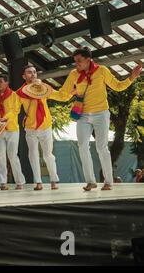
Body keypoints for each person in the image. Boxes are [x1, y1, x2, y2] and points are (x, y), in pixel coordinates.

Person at [54, 47, 141, 191]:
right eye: (75, 61)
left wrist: (132, 77)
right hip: (83, 115)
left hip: (101, 113)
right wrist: (46, 92)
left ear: (88, 59)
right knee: (82, 147)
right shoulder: (74, 74)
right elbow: (63, 94)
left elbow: (117, 86)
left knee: (102, 148)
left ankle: (108, 181)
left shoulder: (101, 70)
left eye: (79, 61)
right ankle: (91, 181)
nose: (77, 64)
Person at [16, 64, 66, 190]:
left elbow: (60, 96)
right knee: (33, 154)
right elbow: (13, 109)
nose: (33, 74)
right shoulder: (20, 93)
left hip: (45, 125)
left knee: (48, 154)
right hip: (31, 127)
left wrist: (72, 91)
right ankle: (38, 182)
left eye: (34, 72)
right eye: (29, 72)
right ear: (23, 76)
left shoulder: (43, 88)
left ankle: (54, 179)